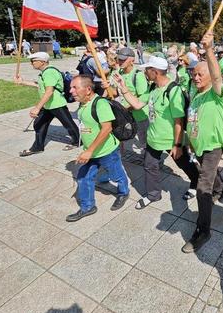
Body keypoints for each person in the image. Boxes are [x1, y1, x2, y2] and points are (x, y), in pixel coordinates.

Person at [115, 55, 197, 208]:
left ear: (156, 71)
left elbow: (179, 121)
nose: (145, 72)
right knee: (149, 165)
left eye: (148, 69)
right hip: (153, 138)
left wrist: (177, 145)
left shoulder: (173, 90)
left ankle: (196, 182)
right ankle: (153, 194)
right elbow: (138, 104)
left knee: (184, 164)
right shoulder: (153, 87)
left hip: (170, 139)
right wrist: (123, 88)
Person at [182, 30, 223, 253]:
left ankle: (203, 231)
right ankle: (220, 188)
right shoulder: (197, 95)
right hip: (198, 146)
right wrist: (189, 139)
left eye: (200, 74)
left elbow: (217, 76)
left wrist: (209, 50)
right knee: (211, 176)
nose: (196, 77)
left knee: (202, 187)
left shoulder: (216, 93)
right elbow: (193, 119)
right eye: (194, 74)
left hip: (212, 147)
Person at [66, 75, 130, 221]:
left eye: (75, 87)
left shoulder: (100, 104)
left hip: (107, 151)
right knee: (83, 178)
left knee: (117, 175)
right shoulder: (82, 103)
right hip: (91, 152)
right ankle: (88, 207)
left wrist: (89, 150)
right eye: (71, 87)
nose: (71, 91)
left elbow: (107, 128)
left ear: (88, 89)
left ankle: (123, 192)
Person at [15, 52, 80, 156]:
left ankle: (77, 141)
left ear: (42, 62)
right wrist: (22, 82)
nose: (31, 63)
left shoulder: (49, 72)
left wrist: (37, 108)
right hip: (48, 105)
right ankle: (37, 147)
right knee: (39, 124)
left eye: (33, 61)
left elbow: (49, 91)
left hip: (56, 104)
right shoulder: (45, 72)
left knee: (68, 124)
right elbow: (40, 85)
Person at [113, 48, 150, 156]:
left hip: (140, 115)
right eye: (118, 59)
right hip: (125, 115)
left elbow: (142, 98)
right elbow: (115, 92)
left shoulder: (138, 75)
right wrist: (107, 87)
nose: (120, 62)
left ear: (132, 60)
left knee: (144, 140)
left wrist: (125, 109)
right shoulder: (119, 72)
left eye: (123, 60)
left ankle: (151, 159)